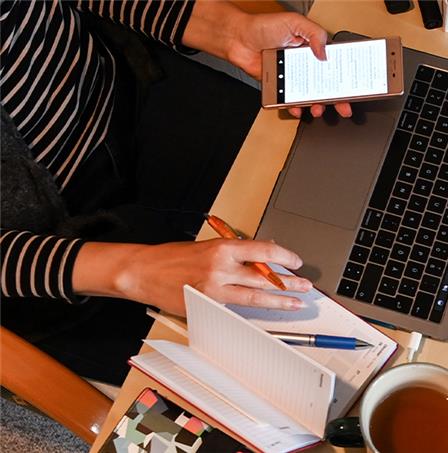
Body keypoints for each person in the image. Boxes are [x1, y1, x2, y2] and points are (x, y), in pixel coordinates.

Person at [1, 0, 350, 385]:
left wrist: (228, 31)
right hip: (44, 264)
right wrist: (134, 272)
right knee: (282, 380)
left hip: (124, 92)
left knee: (349, 196)